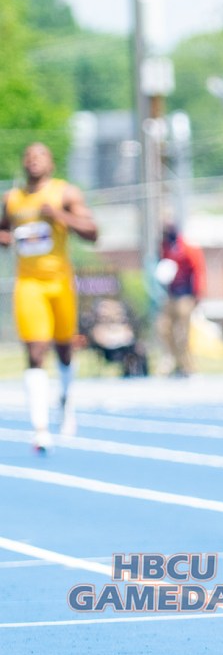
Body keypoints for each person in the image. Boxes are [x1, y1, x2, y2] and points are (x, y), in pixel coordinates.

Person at [0, 143, 98, 451]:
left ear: (51, 163)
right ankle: (39, 427)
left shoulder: (64, 194)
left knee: (64, 349)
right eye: (28, 156)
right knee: (35, 350)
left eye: (40, 156)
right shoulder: (12, 200)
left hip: (60, 282)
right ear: (23, 163)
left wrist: (57, 215)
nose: (33, 161)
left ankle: (66, 402)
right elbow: (3, 232)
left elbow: (93, 232)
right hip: (28, 283)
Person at [155, 221, 206, 378]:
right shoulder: (165, 247)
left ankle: (187, 365)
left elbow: (198, 270)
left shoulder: (186, 247)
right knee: (164, 327)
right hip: (171, 295)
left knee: (183, 332)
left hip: (185, 295)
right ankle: (173, 360)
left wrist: (198, 293)